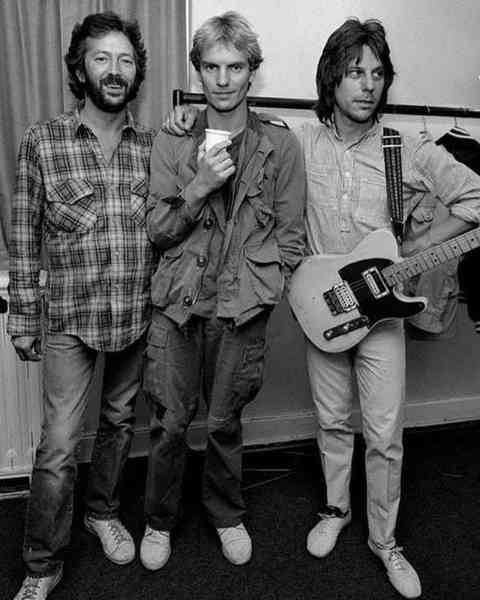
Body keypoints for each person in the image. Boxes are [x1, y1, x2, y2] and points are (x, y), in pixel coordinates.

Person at [162, 17, 480, 599]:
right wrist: (184, 118)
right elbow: (235, 134)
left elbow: (475, 197)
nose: (367, 85)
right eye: (355, 72)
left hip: (381, 313)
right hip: (322, 309)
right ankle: (336, 510)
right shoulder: (298, 140)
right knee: (332, 422)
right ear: (331, 78)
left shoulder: (404, 147)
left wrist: (415, 247)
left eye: (377, 75)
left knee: (384, 434)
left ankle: (386, 542)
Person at [139, 11, 305, 571]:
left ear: (251, 73)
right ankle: (159, 520)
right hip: (177, 306)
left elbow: (290, 233)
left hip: (241, 307)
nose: (223, 78)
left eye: (235, 67)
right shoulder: (173, 136)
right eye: (211, 66)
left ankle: (226, 512)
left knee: (225, 422)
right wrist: (200, 184)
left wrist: (268, 285)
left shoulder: (280, 145)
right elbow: (158, 231)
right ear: (198, 71)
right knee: (168, 423)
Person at [8, 11, 156, 600]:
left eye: (125, 59)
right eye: (102, 58)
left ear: (137, 71)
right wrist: (22, 315)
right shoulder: (42, 141)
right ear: (79, 68)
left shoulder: (154, 145)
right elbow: (23, 234)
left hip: (135, 315)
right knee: (61, 443)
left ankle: (103, 511)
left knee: (119, 425)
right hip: (70, 316)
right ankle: (42, 564)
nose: (115, 70)